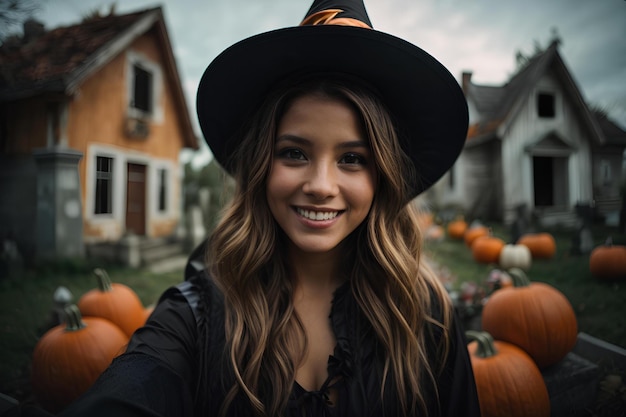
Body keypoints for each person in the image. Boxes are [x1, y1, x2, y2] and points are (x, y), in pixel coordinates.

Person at [56, 0, 480, 416]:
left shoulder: (426, 316)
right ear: (261, 165)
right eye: (294, 153)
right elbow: (137, 385)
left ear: (382, 177)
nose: (320, 186)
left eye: (352, 158)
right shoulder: (195, 316)